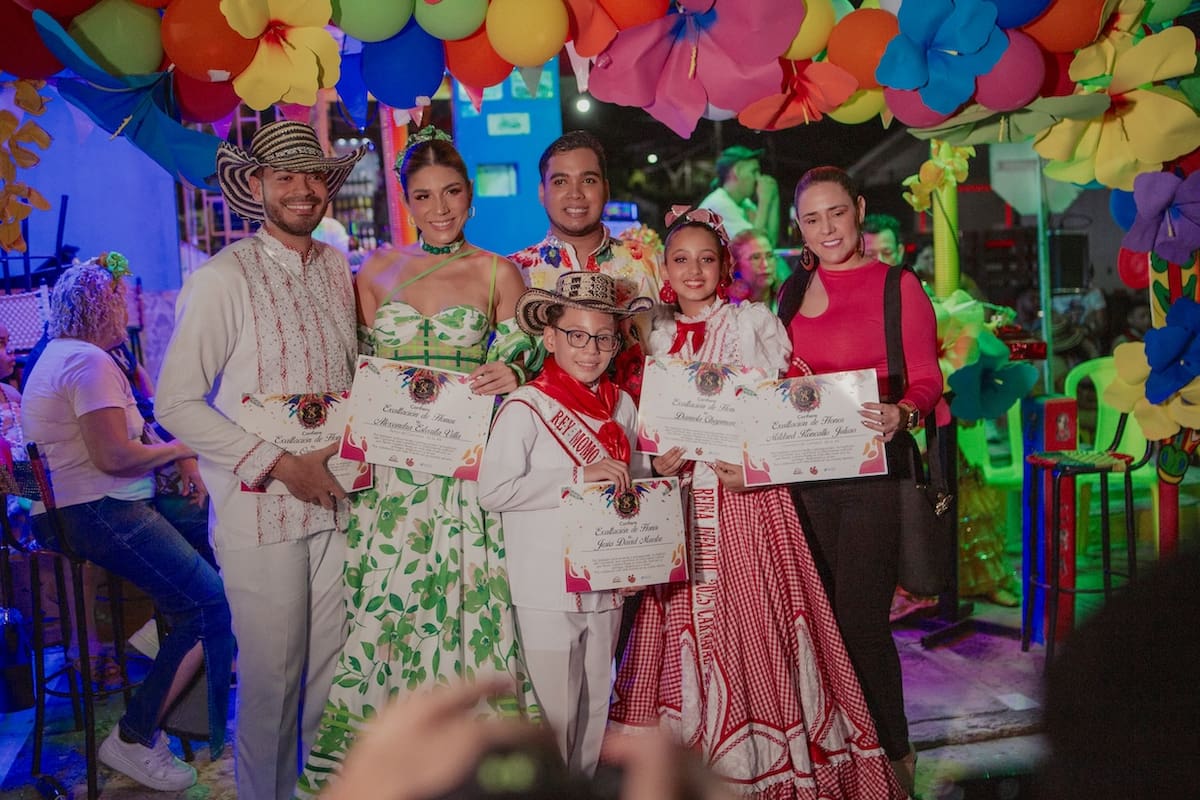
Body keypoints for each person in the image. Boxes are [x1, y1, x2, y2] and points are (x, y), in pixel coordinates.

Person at [609, 207, 904, 799]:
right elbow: (632, 423)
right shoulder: (650, 333)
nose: (694, 271)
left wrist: (756, 467)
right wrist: (653, 463)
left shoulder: (752, 324)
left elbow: (787, 409)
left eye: (707, 259)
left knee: (755, 624)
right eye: (681, 259)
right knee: (675, 628)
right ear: (664, 267)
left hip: (748, 504)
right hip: (680, 506)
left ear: (724, 267)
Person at [295, 126, 537, 798]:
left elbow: (529, 364)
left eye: (453, 192)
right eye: (425, 195)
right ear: (405, 199)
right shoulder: (374, 271)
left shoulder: (498, 272)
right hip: (393, 480)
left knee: (472, 608)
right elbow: (354, 375)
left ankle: (479, 766)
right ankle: (384, 770)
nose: (440, 207)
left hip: (467, 475)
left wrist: (510, 371)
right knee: (387, 614)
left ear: (469, 197)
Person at [155, 120, 367, 800]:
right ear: (257, 186)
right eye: (286, 176)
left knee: (327, 675)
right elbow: (176, 403)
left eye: (314, 176)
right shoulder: (223, 278)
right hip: (259, 511)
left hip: (334, 500)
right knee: (273, 679)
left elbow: (351, 377)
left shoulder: (337, 268)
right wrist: (278, 462)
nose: (303, 189)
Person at [21, 262, 233, 792]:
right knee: (209, 606)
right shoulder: (88, 363)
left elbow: (132, 436)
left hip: (83, 511)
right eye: (121, 300)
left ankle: (159, 646)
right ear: (101, 307)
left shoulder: (64, 356)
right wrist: (190, 448)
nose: (129, 311)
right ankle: (138, 737)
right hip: (96, 511)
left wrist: (181, 463)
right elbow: (115, 457)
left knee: (219, 526)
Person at [779, 167, 943, 794]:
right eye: (813, 219)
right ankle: (846, 746)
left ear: (860, 211)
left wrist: (907, 411)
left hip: (874, 473)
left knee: (861, 618)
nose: (827, 230)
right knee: (821, 620)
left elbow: (927, 376)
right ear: (799, 226)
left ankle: (895, 753)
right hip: (806, 476)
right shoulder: (790, 293)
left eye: (837, 214)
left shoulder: (899, 286)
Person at [478, 271, 653, 776]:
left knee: (597, 699)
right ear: (550, 338)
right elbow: (495, 491)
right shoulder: (527, 406)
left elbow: (631, 484)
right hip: (547, 582)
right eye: (576, 335)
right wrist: (578, 474)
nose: (590, 349)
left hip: (605, 576)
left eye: (602, 337)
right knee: (556, 710)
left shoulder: (621, 404)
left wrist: (641, 550)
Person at [509, 131, 661, 400]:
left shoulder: (650, 264)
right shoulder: (514, 272)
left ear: (606, 188)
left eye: (588, 180)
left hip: (638, 432)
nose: (575, 193)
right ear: (542, 192)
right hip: (543, 434)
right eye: (560, 181)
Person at [697, 145, 780, 246]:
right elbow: (755, 247)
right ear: (736, 171)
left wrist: (774, 198)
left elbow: (770, 243)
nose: (758, 178)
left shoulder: (744, 203)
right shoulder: (719, 204)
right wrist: (765, 201)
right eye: (754, 171)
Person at [727, 229, 777, 307]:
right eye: (756, 257)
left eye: (769, 256)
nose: (765, 264)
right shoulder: (727, 308)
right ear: (736, 266)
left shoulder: (789, 298)